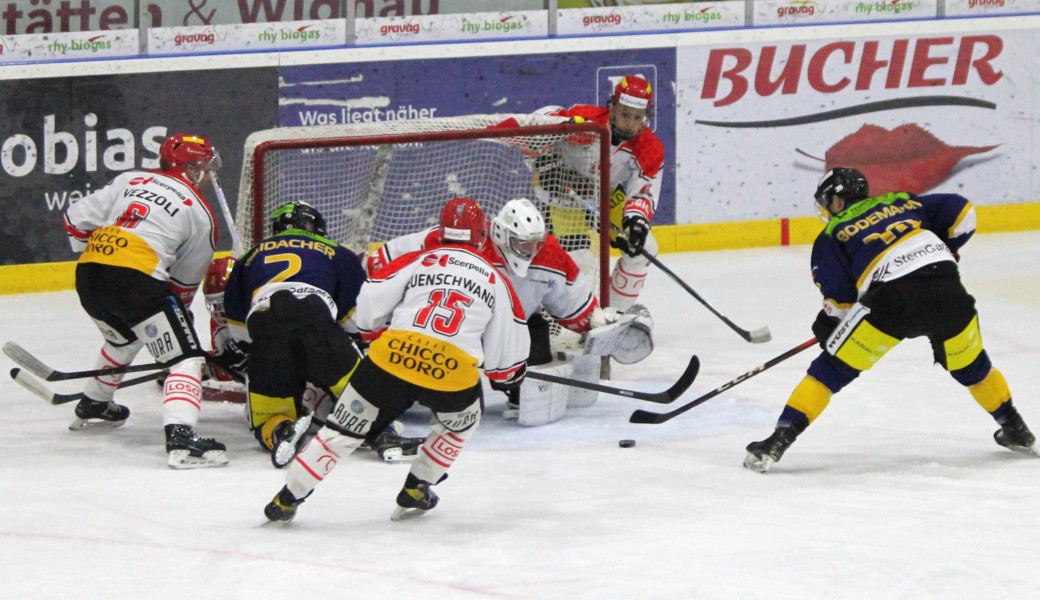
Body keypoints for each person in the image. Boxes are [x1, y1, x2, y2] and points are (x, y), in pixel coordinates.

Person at [744, 167, 1037, 473]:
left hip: (893, 301)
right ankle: (1016, 428)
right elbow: (962, 211)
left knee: (829, 371)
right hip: (948, 289)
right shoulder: (904, 202)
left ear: (836, 202)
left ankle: (777, 441)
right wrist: (944, 249)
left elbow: (841, 302)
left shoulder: (831, 235)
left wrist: (829, 324)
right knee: (973, 367)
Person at [264, 197, 529, 522]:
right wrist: (509, 374)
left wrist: (376, 331)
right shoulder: (496, 281)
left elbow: (371, 301)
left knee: (341, 432)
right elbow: (507, 361)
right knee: (463, 422)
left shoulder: (420, 259)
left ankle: (288, 497)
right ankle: (419, 485)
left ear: (441, 230)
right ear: (482, 236)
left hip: (390, 361)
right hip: (450, 373)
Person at [368, 197, 654, 425]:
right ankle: (414, 393)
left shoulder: (549, 254)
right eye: (522, 243)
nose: (531, 249)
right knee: (455, 407)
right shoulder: (458, 241)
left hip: (512, 329)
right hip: (454, 333)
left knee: (535, 334)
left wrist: (602, 323)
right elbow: (380, 262)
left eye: (535, 242)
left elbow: (576, 310)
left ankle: (517, 392)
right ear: (502, 235)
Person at [62, 132, 228, 469]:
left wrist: (101, 256)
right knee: (186, 358)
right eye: (206, 167)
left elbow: (74, 220)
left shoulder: (130, 178)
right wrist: (180, 336)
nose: (210, 174)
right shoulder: (200, 213)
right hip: (136, 280)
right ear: (193, 170)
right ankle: (182, 436)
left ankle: (95, 403)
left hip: (90, 274)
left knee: (124, 335)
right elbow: (181, 289)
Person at [215, 202, 424, 466]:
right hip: (314, 319)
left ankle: (281, 431)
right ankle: (383, 434)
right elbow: (356, 320)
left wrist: (253, 354)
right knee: (361, 392)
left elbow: (237, 326)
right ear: (317, 228)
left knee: (268, 414)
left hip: (265, 326)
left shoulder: (248, 258)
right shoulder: (338, 253)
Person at [535, 74, 665, 311]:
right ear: (612, 107)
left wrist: (635, 222)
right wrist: (546, 163)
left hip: (605, 195)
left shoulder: (650, 148)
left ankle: (613, 313)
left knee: (645, 247)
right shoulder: (586, 120)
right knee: (580, 260)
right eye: (625, 113)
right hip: (563, 192)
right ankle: (571, 319)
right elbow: (536, 123)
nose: (629, 122)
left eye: (637, 117)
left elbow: (643, 194)